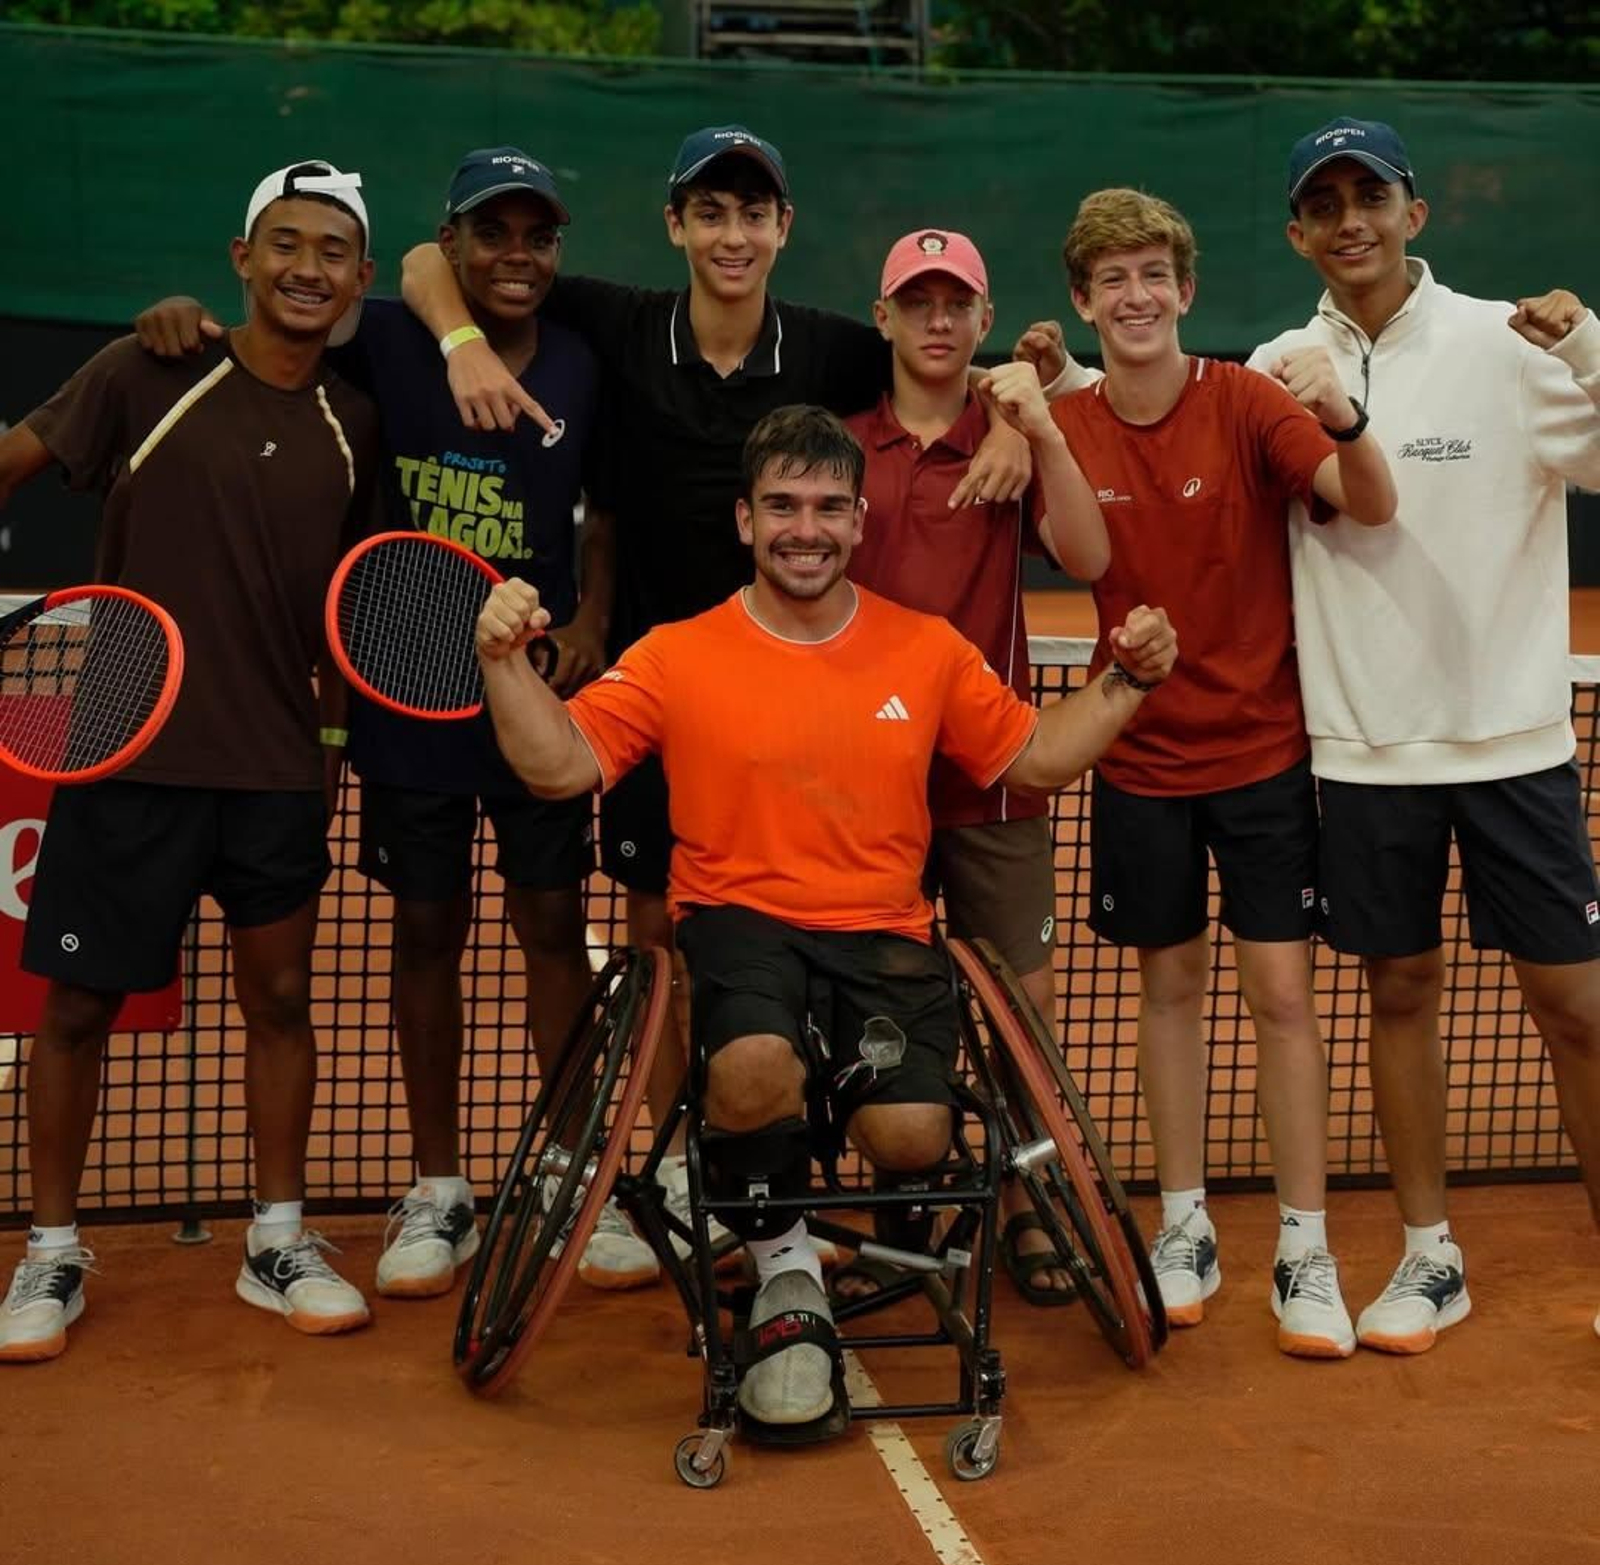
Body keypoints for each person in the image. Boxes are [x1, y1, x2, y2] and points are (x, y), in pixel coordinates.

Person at [400, 126, 1030, 1287]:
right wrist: (460, 349)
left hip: (799, 683)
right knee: (656, 933)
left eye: (754, 215)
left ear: (782, 230)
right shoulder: (623, 320)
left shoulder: (833, 349)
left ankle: (796, 1128)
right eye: (711, 213)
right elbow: (423, 263)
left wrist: (1025, 388)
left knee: (798, 930)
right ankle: (683, 1155)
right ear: (675, 226)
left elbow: (945, 368)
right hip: (662, 687)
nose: (732, 236)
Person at [472, 403, 1175, 1426]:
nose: (807, 528)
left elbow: (1031, 758)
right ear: (746, 522)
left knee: (911, 1136)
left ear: (857, 524)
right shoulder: (678, 653)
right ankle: (789, 1270)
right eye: (784, 507)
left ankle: (815, 1213)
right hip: (738, 923)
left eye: (829, 509)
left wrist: (1126, 680)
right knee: (754, 1067)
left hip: (884, 936)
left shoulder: (924, 650)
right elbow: (557, 765)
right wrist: (502, 663)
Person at [134, 147, 617, 1299]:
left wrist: (595, 611)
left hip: (536, 698)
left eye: (536, 236)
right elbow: (295, 318)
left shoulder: (587, 364)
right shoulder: (392, 335)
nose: (516, 255)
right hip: (407, 694)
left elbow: (612, 511)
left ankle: (561, 1171)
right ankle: (440, 1185)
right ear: (449, 248)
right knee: (424, 936)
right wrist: (183, 318)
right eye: (489, 233)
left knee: (554, 932)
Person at [0, 160, 381, 1360]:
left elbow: (344, 613)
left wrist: (325, 749)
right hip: (127, 745)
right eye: (285, 242)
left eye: (330, 250)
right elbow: (13, 457)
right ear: (240, 256)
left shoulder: (353, 421)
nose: (306, 267)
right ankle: (48, 1254)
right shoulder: (148, 370)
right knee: (77, 1008)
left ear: (361, 278)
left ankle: (276, 1238)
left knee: (280, 1002)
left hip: (272, 766)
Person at [1015, 187, 1398, 1359]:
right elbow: (1080, 556)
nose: (1134, 297)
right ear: (1083, 304)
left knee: (1282, 999)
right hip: (1140, 761)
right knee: (1166, 994)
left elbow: (1370, 506)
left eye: (1152, 276)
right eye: (1110, 281)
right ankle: (1181, 1224)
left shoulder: (1243, 400)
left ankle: (1304, 1245)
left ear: (1185, 291)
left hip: (1265, 759)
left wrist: (1342, 420)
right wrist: (1032, 413)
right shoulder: (1068, 428)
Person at [1250, 117, 1600, 1350]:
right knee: (1398, 994)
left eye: (1371, 196)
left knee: (1576, 1009)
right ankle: (1427, 1253)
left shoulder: (1513, 342)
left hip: (1513, 743)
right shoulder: (1276, 363)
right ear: (1298, 233)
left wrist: (1592, 349)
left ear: (1416, 213)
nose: (1351, 219)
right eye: (1325, 203)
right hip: (1361, 748)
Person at [838, 227, 1107, 1303]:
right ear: (884, 317)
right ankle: (902, 1217)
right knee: (884, 1020)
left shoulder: (1010, 444)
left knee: (1021, 1020)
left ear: (983, 321)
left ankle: (1033, 1212)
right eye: (919, 302)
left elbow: (1089, 556)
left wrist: (1029, 422)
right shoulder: (840, 452)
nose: (938, 320)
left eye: (958, 304)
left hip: (994, 782)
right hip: (864, 795)